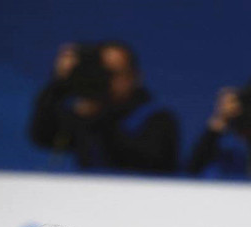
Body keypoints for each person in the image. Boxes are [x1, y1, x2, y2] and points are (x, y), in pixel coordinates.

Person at [29, 41, 179, 174]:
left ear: (134, 76)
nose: (106, 80)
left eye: (113, 73)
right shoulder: (84, 113)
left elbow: (149, 163)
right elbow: (43, 136)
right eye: (101, 72)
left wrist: (99, 119)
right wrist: (60, 82)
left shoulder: (156, 118)